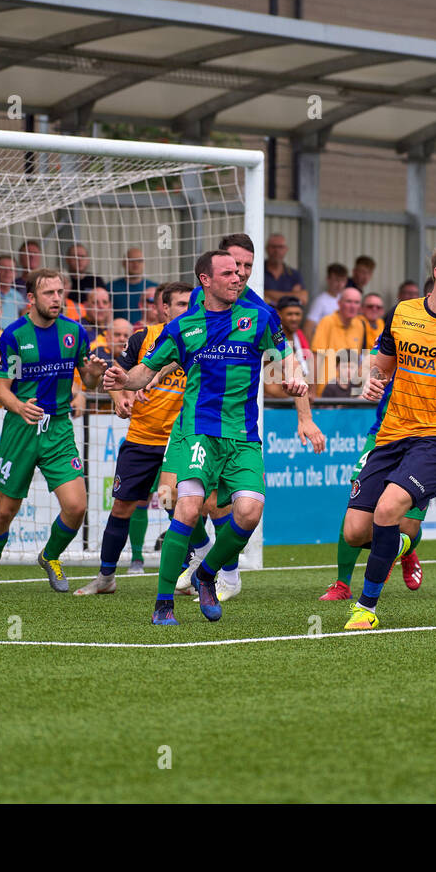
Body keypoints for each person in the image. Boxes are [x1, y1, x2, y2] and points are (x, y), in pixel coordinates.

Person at [103, 248, 309, 625]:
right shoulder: (183, 327)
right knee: (186, 506)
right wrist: (122, 380)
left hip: (244, 435)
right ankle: (164, 602)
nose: (238, 278)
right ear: (206, 280)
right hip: (199, 431)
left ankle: (205, 574)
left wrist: (293, 377)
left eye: (240, 272)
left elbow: (286, 356)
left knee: (249, 512)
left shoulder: (260, 317)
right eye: (229, 273)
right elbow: (144, 373)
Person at [341, 243, 436, 630]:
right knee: (355, 532)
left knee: (388, 510)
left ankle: (366, 608)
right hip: (392, 433)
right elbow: (382, 366)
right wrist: (372, 383)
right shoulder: (402, 312)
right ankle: (404, 545)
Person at [172, 233, 325, 600]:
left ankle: (226, 573)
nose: (240, 274)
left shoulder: (261, 314)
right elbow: (177, 346)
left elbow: (290, 368)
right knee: (181, 497)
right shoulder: (200, 299)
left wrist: (304, 418)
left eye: (247, 267)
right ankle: (206, 558)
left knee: (220, 503)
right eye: (234, 266)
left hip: (234, 424)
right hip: (191, 416)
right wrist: (149, 377)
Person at [0, 270, 107, 592]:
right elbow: (2, 390)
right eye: (49, 293)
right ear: (31, 299)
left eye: (60, 292)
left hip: (58, 428)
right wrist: (19, 406)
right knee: (5, 510)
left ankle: (50, 556)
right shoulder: (15, 335)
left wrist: (90, 376)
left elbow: (87, 382)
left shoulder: (74, 333)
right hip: (21, 428)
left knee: (76, 506)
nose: (57, 299)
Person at [76, 282, 194, 595]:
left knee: (176, 506)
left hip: (180, 441)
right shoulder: (143, 338)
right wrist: (119, 399)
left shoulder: (200, 339)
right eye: (180, 304)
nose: (187, 308)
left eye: (190, 302)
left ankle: (185, 577)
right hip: (142, 438)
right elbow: (116, 376)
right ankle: (105, 578)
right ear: (165, 308)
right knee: (123, 507)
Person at [318, 347, 436, 601]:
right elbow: (371, 366)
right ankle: (342, 583)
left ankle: (404, 549)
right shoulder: (397, 329)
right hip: (382, 436)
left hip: (426, 440)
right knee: (354, 521)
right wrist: (372, 379)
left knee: (406, 526)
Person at [311, 286, 375, 396]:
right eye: (348, 301)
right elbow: (317, 357)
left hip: (349, 393)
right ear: (339, 303)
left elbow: (359, 360)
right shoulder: (327, 322)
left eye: (356, 302)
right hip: (326, 392)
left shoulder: (360, 325)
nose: (352, 306)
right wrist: (311, 390)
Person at [265, 295, 312, 394]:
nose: (294, 318)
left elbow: (308, 367)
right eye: (289, 314)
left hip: (296, 398)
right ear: (279, 314)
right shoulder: (272, 337)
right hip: (273, 404)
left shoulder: (299, 336)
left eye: (297, 314)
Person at [262, 233, 306, 305]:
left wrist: (267, 293)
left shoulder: (294, 274)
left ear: (286, 249)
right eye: (273, 247)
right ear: (267, 249)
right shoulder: (257, 271)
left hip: (288, 316)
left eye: (280, 247)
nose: (277, 250)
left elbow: (304, 298)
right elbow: (253, 294)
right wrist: (293, 294)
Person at [108, 247, 150, 323]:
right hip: (120, 332)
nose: (135, 264)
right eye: (131, 260)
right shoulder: (110, 288)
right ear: (124, 263)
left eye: (139, 261)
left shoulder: (153, 288)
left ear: (144, 263)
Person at [306, 262, 348, 336]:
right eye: (337, 280)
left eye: (343, 281)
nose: (340, 284)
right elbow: (308, 328)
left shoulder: (345, 299)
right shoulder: (320, 301)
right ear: (328, 280)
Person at [0, 254, 27, 325]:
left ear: (16, 273)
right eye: (3, 268)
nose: (7, 272)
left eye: (11, 269)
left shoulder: (18, 296)